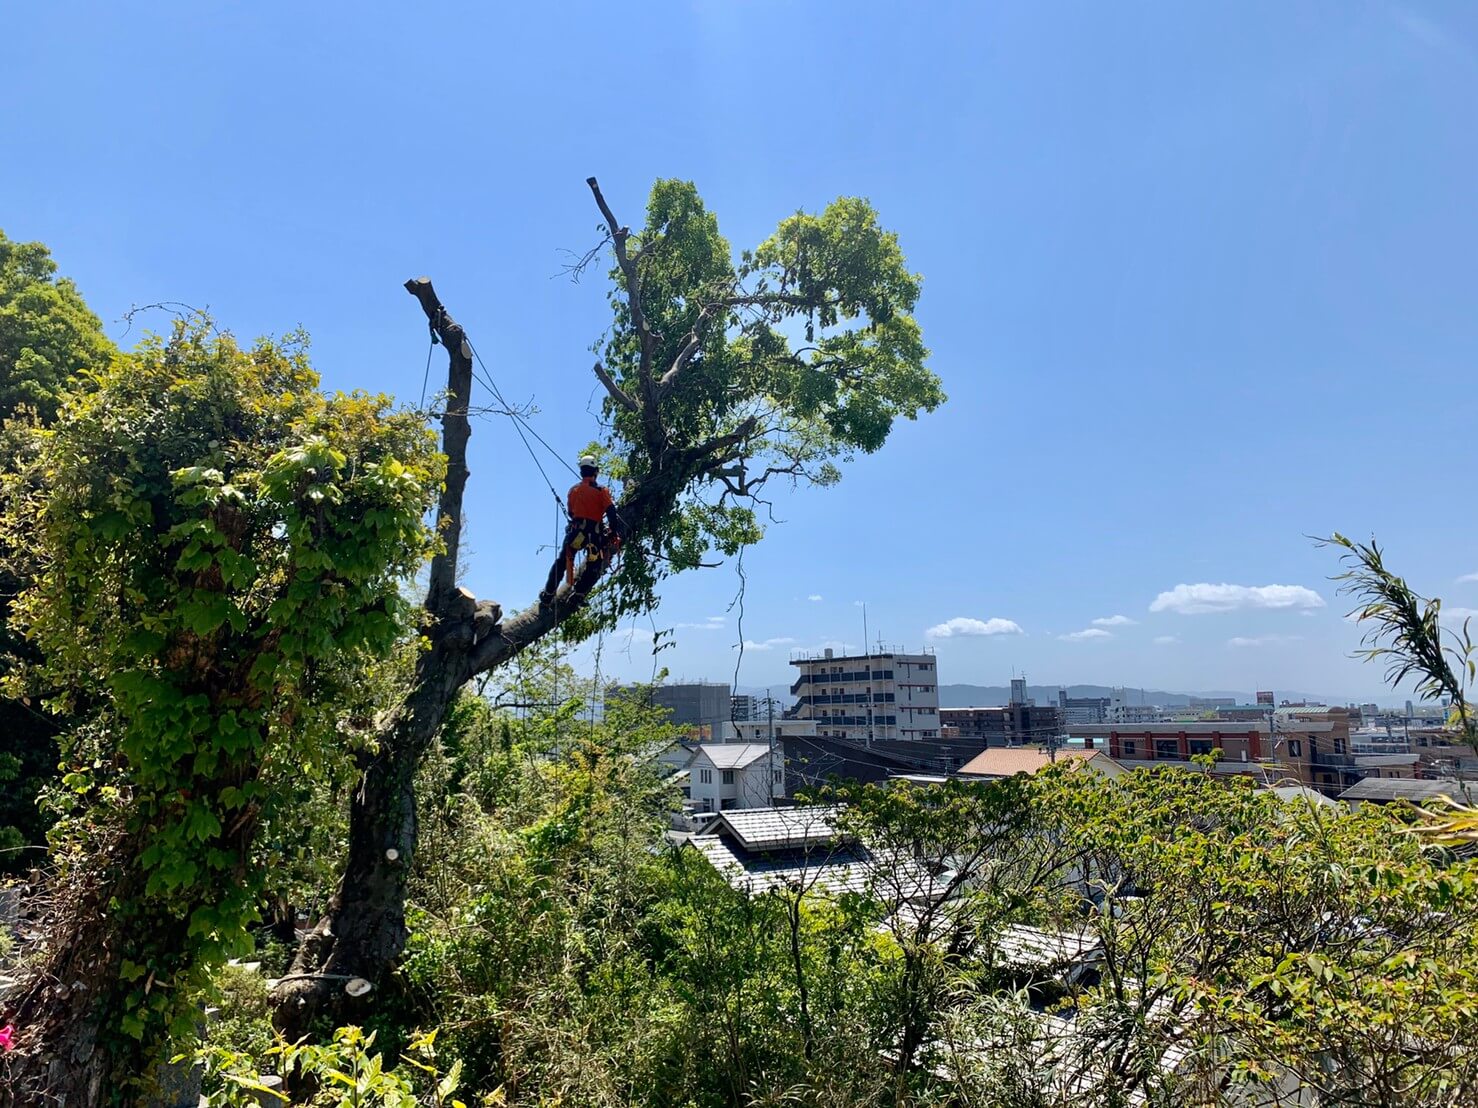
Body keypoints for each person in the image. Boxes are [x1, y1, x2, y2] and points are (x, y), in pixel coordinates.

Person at [539, 455, 625, 603]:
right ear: (595, 472)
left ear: (581, 472)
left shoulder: (574, 490)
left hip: (577, 534)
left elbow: (572, 512)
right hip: (593, 536)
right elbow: (611, 512)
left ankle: (548, 593)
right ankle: (578, 594)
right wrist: (613, 532)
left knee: (562, 562)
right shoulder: (601, 490)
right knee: (594, 564)